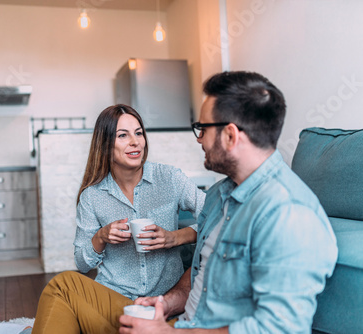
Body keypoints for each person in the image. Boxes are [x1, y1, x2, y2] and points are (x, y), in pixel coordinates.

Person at [119, 71, 338, 333]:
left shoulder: (289, 214)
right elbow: (204, 270)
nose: (199, 139)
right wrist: (167, 304)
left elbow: (279, 328)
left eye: (203, 129)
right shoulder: (216, 196)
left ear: (231, 136)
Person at [31, 104, 205, 333]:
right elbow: (82, 264)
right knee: (63, 285)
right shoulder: (92, 197)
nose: (135, 141)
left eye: (139, 133)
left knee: (60, 307)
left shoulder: (169, 178)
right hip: (114, 300)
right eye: (123, 135)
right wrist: (100, 237)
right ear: (105, 144)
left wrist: (176, 237)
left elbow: (217, 217)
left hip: (163, 306)